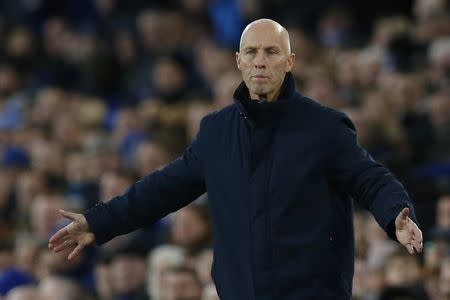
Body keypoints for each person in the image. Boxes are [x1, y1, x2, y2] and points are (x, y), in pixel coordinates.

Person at [48, 19, 423, 299]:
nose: (261, 61)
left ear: (289, 62)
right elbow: (162, 190)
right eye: (251, 52)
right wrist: (99, 221)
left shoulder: (324, 127)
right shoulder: (215, 132)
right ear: (238, 61)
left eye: (271, 52)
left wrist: (396, 213)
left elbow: (369, 178)